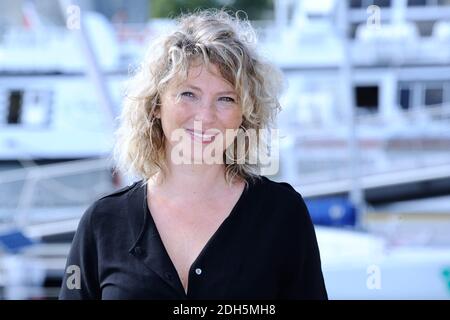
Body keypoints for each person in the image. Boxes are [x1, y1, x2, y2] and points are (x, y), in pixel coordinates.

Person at [59, 9, 327, 300]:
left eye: (226, 99)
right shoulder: (102, 223)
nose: (205, 116)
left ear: (245, 115)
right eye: (188, 94)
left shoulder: (282, 214)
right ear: (156, 106)